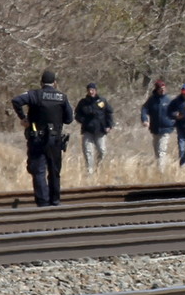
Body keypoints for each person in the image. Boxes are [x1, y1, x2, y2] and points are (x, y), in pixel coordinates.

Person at [10, 70, 74, 207]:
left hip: (37, 139)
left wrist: (23, 118)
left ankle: (43, 203)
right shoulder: (62, 97)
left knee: (39, 171)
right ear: (55, 83)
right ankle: (55, 201)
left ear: (41, 83)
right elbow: (69, 119)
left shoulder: (35, 95)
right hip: (55, 140)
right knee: (54, 171)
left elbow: (16, 101)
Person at [74, 82, 114, 174]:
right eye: (89, 90)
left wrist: (109, 125)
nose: (91, 92)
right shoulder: (83, 102)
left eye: (92, 90)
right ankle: (90, 171)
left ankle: (98, 167)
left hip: (100, 130)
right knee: (88, 151)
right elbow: (77, 115)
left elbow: (109, 113)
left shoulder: (102, 101)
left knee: (102, 151)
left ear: (96, 90)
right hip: (87, 130)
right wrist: (83, 120)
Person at [140, 79, 176, 168]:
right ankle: (158, 168)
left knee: (161, 151)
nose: (163, 90)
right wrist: (145, 120)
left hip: (166, 129)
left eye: (164, 88)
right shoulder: (151, 100)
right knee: (157, 151)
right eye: (160, 88)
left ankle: (161, 172)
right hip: (155, 129)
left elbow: (175, 112)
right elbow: (144, 109)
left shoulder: (168, 100)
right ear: (157, 89)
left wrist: (175, 121)